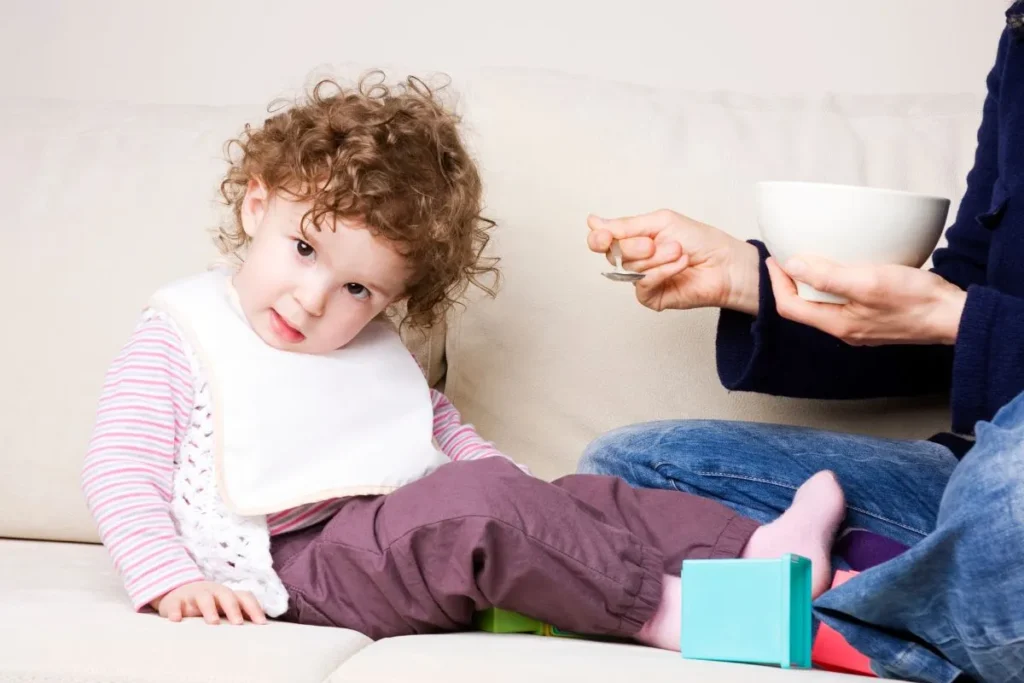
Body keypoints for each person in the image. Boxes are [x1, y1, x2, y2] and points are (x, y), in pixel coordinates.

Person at [81, 72, 845, 650]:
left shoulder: (365, 348)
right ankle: (668, 611)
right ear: (257, 206)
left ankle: (753, 543)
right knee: (478, 507)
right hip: (292, 568)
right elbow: (120, 468)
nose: (313, 299)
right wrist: (171, 578)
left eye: (356, 286)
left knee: (579, 496)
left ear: (392, 296)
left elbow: (438, 430)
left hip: (385, 533)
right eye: (303, 248)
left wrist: (534, 501)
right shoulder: (183, 334)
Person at [581, 11, 1024, 683]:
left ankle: (807, 612)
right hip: (977, 474)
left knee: (1003, 506)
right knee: (622, 475)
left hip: (1004, 491)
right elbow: (962, 306)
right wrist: (752, 280)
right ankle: (930, 598)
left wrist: (963, 319)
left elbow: (967, 319)